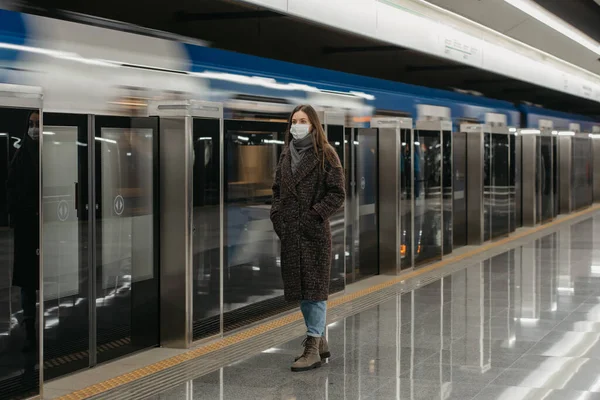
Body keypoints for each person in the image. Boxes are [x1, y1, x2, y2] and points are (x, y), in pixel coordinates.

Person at [270, 104, 345, 372]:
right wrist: (277, 216)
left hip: (314, 235)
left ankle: (312, 345)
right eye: (294, 120)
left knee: (314, 291)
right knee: (301, 291)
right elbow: (277, 190)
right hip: (290, 233)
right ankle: (319, 338)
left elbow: (337, 193)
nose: (298, 124)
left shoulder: (326, 154)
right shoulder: (285, 155)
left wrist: (313, 216)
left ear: (313, 125)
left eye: (303, 120)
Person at [7, 111, 40, 352]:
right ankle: (30, 327)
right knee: (29, 281)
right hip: (28, 228)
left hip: (46, 227)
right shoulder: (20, 157)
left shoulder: (50, 154)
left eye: (38, 125)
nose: (34, 129)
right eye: (31, 125)